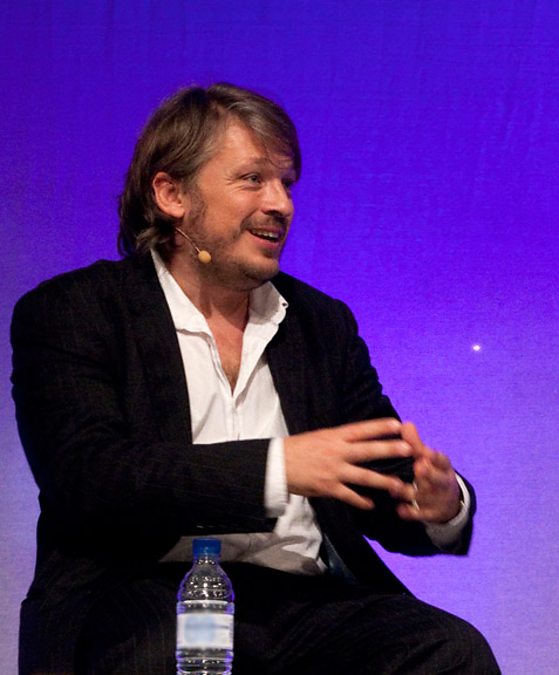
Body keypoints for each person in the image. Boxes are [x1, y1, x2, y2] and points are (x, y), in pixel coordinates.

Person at [12, 83, 500, 674]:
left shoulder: (319, 324)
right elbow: (91, 478)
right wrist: (276, 469)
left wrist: (438, 503)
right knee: (162, 658)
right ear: (171, 194)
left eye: (286, 183)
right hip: (141, 592)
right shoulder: (76, 311)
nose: (281, 204)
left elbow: (376, 473)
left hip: (302, 602)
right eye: (252, 180)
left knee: (451, 652)